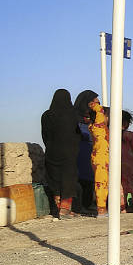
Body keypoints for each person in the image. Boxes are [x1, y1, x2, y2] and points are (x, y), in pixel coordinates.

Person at [40, 89, 82, 218]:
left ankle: (58, 209)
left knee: (55, 180)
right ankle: (64, 210)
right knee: (68, 180)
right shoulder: (73, 114)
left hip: (52, 151)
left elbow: (45, 135)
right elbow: (77, 134)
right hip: (69, 153)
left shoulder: (46, 115)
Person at [73, 91, 98, 212]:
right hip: (80, 152)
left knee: (92, 179)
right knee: (81, 179)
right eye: (93, 102)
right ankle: (81, 205)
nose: (95, 105)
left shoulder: (96, 117)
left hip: (92, 151)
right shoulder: (74, 118)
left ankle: (89, 203)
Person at [87, 97, 111, 216]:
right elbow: (100, 112)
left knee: (104, 183)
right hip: (101, 158)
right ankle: (101, 209)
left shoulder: (96, 127)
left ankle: (103, 207)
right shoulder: (98, 126)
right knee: (101, 183)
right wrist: (95, 105)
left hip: (101, 157)